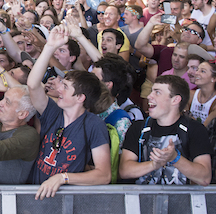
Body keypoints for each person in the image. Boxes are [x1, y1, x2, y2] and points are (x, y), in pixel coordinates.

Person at [27, 24, 111, 200]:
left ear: (80, 97)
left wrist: (62, 178)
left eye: (65, 87)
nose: (60, 91)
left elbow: (104, 175)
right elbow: (33, 85)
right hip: (35, 196)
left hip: (66, 201)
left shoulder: (95, 125)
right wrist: (49, 47)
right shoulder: (53, 111)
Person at [119, 75, 212, 186]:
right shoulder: (138, 128)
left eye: (157, 92)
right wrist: (154, 164)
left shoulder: (195, 129)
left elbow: (205, 178)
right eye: (151, 91)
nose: (149, 96)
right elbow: (124, 171)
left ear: (175, 100)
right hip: (144, 201)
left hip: (182, 202)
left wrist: (175, 158)